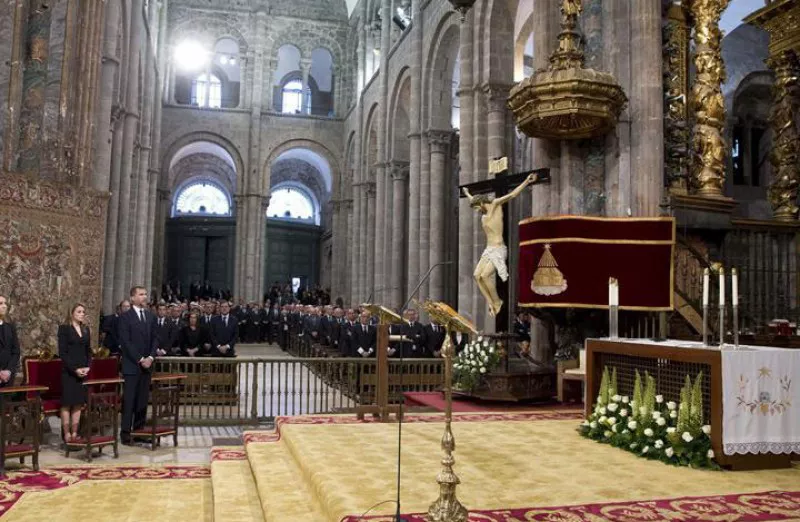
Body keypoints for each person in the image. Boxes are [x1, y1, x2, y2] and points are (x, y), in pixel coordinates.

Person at [463, 172, 538, 316]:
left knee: (485, 276)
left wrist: (526, 181)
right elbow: (473, 199)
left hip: (498, 249)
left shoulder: (495, 205)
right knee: (476, 275)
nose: (477, 211)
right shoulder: (482, 209)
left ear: (481, 203)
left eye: (477, 208)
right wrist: (467, 192)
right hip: (488, 249)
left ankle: (497, 301)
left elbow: (512, 195)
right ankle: (491, 303)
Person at [117, 286, 158, 444]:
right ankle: (126, 433)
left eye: (145, 294)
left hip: (147, 365)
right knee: (129, 399)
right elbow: (125, 342)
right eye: (141, 294)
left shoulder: (150, 316)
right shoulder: (125, 317)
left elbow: (155, 338)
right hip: (132, 365)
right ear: (132, 298)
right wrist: (141, 359)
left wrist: (151, 357)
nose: (144, 297)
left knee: (142, 399)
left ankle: (139, 430)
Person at [58, 303, 92, 442]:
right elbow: (63, 353)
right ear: (72, 313)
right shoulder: (64, 329)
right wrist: (74, 369)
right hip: (69, 371)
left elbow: (88, 351)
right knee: (67, 403)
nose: (82, 314)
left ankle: (74, 433)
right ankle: (66, 434)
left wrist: (88, 366)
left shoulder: (86, 330)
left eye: (83, 311)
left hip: (83, 371)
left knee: (78, 403)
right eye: (79, 311)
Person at [0, 295, 21, 388]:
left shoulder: (10, 327)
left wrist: (8, 370)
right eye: (0, 303)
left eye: (5, 303)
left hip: (8, 376)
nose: (4, 306)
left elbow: (16, 352)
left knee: (6, 402)